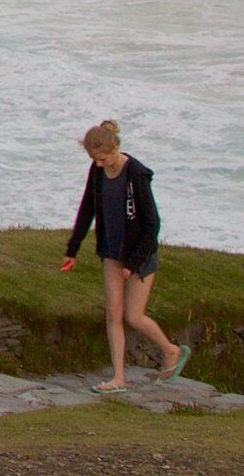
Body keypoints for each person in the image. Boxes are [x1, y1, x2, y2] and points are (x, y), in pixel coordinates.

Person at [58, 119, 188, 390]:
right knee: (113, 312)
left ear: (115, 147)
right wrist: (73, 250)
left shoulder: (137, 174)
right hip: (111, 251)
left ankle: (171, 350)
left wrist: (133, 262)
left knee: (133, 316)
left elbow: (153, 224)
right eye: (94, 159)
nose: (98, 164)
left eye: (102, 158)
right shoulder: (97, 171)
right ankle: (118, 378)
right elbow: (87, 209)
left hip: (140, 254)